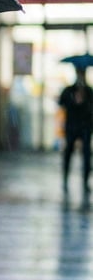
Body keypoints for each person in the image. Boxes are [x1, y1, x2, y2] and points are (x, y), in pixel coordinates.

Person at [58, 65, 93, 193]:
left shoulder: (89, 91)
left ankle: (85, 182)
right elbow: (61, 103)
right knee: (68, 153)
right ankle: (65, 179)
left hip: (85, 127)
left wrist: (84, 101)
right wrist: (73, 100)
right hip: (72, 127)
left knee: (86, 155)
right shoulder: (69, 90)